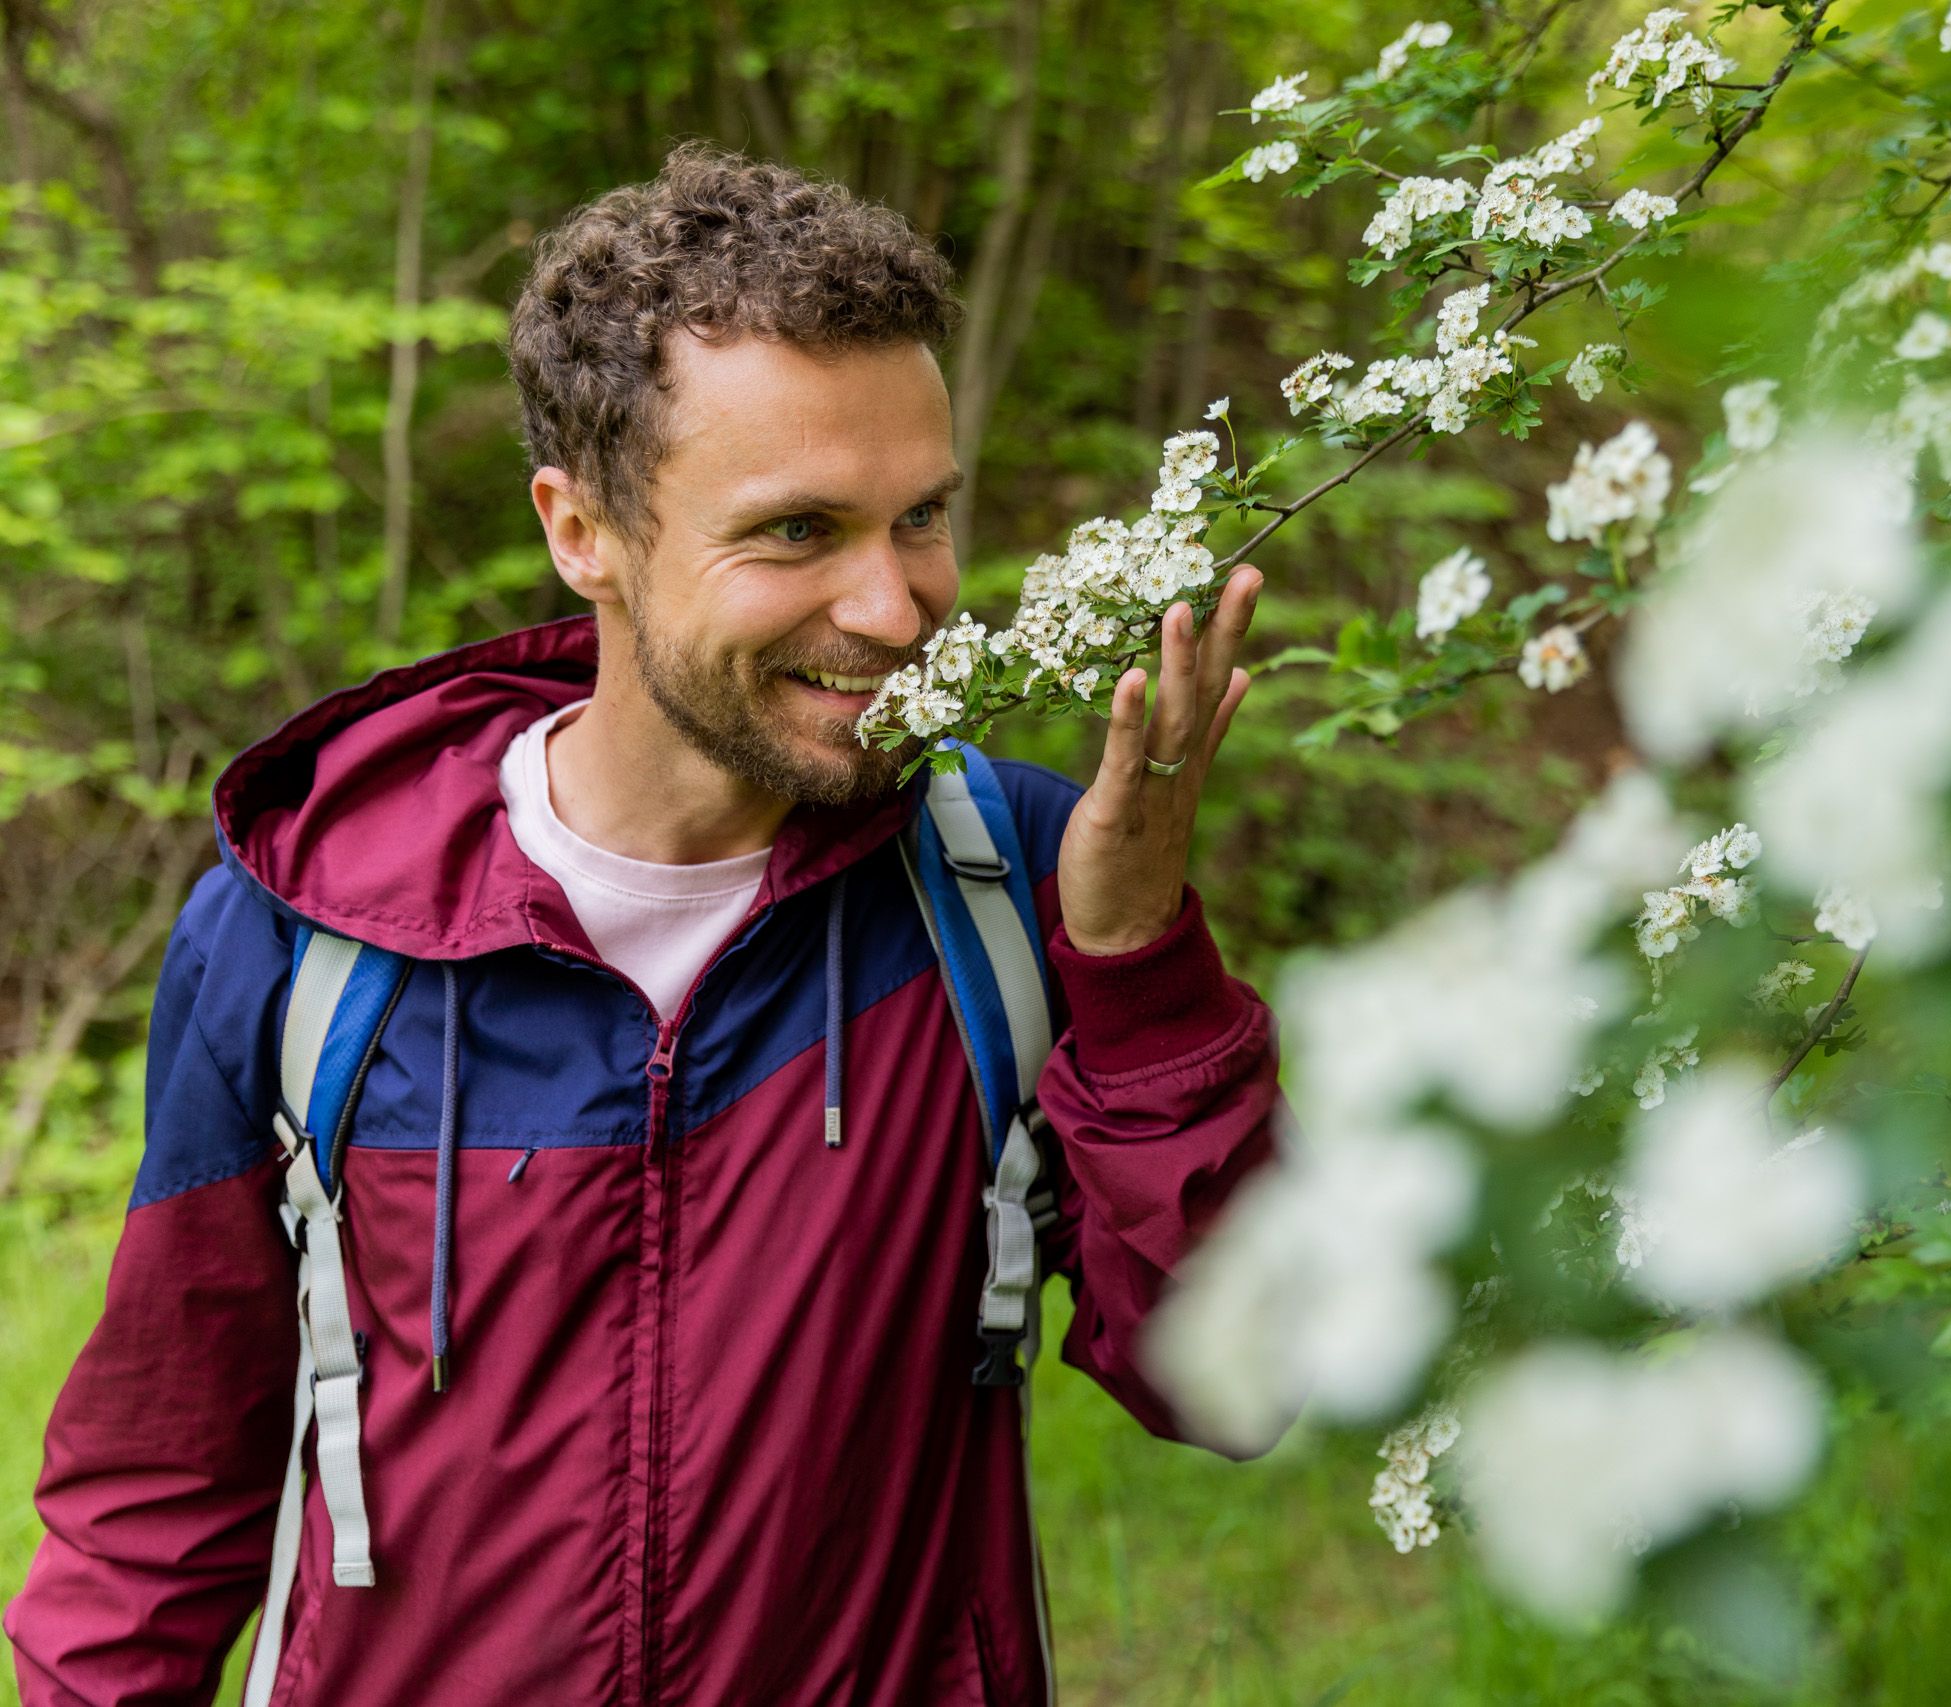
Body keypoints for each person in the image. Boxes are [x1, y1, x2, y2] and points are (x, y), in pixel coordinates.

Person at [4, 142, 1282, 1706]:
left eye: (923, 517)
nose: (895, 607)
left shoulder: (1003, 883)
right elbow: (153, 1505)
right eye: (799, 532)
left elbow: (1236, 1382)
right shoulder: (310, 934)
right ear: (582, 529)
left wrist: (1141, 962)